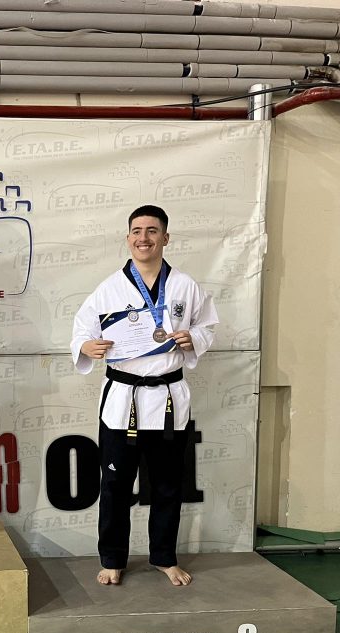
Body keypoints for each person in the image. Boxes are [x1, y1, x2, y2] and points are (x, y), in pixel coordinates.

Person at [71, 205, 217, 586]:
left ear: (165, 238)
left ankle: (164, 557)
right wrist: (86, 346)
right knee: (115, 485)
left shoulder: (184, 286)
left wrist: (193, 338)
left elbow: (208, 326)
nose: (144, 238)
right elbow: (81, 329)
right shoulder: (109, 288)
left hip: (168, 399)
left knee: (168, 485)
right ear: (128, 238)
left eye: (152, 231)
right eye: (137, 231)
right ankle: (113, 559)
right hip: (123, 400)